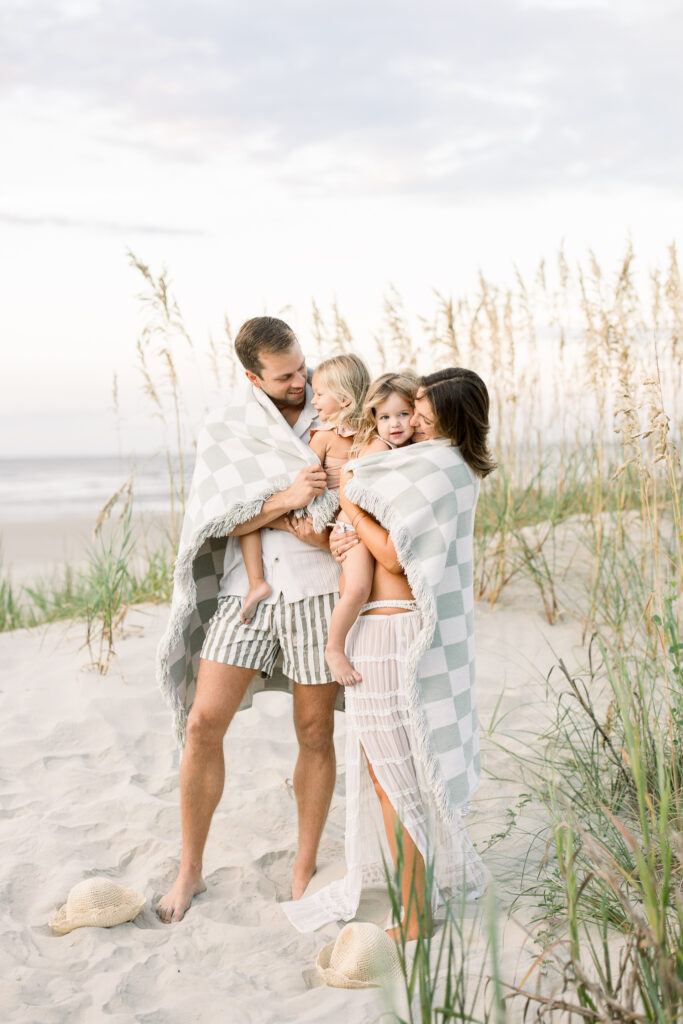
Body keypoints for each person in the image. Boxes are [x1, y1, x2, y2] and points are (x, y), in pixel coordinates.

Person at [282, 368, 495, 940]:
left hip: (391, 633)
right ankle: (415, 900)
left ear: (448, 415)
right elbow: (376, 535)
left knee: (392, 776)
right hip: (380, 629)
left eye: (422, 410)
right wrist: (341, 530)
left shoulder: (443, 465)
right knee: (393, 772)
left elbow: (397, 558)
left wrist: (350, 503)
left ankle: (416, 913)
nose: (413, 419)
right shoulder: (428, 462)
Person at [156, 317, 348, 923]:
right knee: (202, 724)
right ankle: (190, 868)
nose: (300, 381)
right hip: (251, 592)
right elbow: (215, 521)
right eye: (285, 375)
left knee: (315, 732)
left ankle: (303, 862)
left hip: (320, 590)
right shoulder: (228, 426)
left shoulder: (336, 401)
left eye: (301, 367)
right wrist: (286, 500)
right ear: (251, 376)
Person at [238, 353, 370, 624]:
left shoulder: (323, 436)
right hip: (345, 513)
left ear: (344, 400)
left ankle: (256, 582)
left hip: (323, 509)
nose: (313, 400)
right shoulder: (370, 433)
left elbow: (299, 474)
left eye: (320, 394)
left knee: (250, 517)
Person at [324, 371, 418, 687]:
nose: (396, 424)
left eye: (404, 414)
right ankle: (334, 649)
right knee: (357, 589)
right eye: (386, 416)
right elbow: (355, 491)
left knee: (353, 588)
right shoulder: (379, 448)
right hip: (354, 526)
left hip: (362, 524)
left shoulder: (399, 449)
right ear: (374, 419)